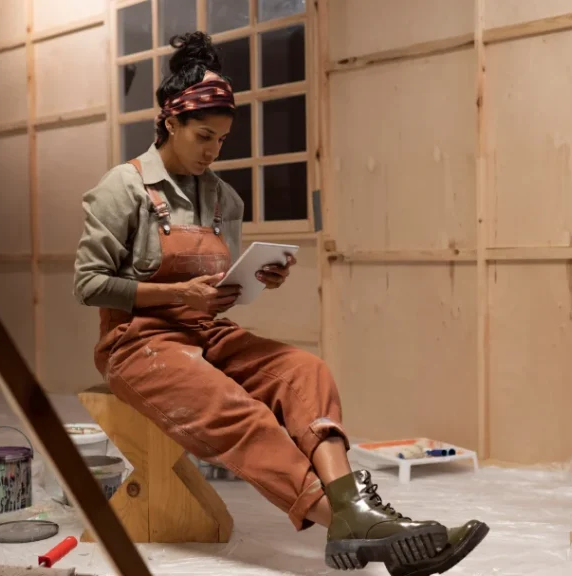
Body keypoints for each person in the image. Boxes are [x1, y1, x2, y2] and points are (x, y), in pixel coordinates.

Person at [73, 31, 488, 574]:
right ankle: (352, 523)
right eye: (203, 136)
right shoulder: (120, 189)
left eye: (221, 140)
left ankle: (357, 514)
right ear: (169, 122)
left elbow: (216, 287)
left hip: (206, 332)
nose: (212, 151)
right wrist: (177, 293)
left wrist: (254, 279)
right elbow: (89, 283)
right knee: (236, 410)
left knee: (305, 372)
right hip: (139, 345)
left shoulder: (224, 198)